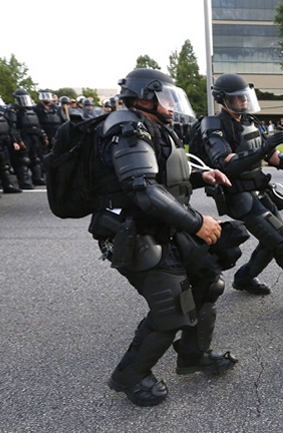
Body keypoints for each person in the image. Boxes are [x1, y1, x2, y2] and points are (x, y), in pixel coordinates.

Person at [88, 68, 244, 407]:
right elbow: (143, 190)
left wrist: (204, 176)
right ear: (146, 97)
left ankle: (193, 355)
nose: (172, 106)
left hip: (161, 226)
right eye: (166, 98)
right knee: (172, 308)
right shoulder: (128, 129)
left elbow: (165, 176)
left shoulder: (150, 127)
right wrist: (196, 222)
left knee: (207, 282)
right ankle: (130, 375)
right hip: (135, 233)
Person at [198, 72, 283, 300]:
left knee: (270, 240)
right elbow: (224, 163)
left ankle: (244, 278)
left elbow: (271, 154)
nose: (243, 102)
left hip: (260, 191)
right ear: (223, 99)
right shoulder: (214, 125)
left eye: (245, 97)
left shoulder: (248, 121)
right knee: (281, 240)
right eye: (238, 98)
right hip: (238, 196)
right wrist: (262, 151)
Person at [7, 89, 47, 187]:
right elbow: (13, 127)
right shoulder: (14, 110)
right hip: (24, 136)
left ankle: (38, 178)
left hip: (35, 136)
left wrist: (43, 136)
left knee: (36, 158)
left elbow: (38, 125)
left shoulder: (32, 110)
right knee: (23, 160)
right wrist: (18, 140)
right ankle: (24, 181)